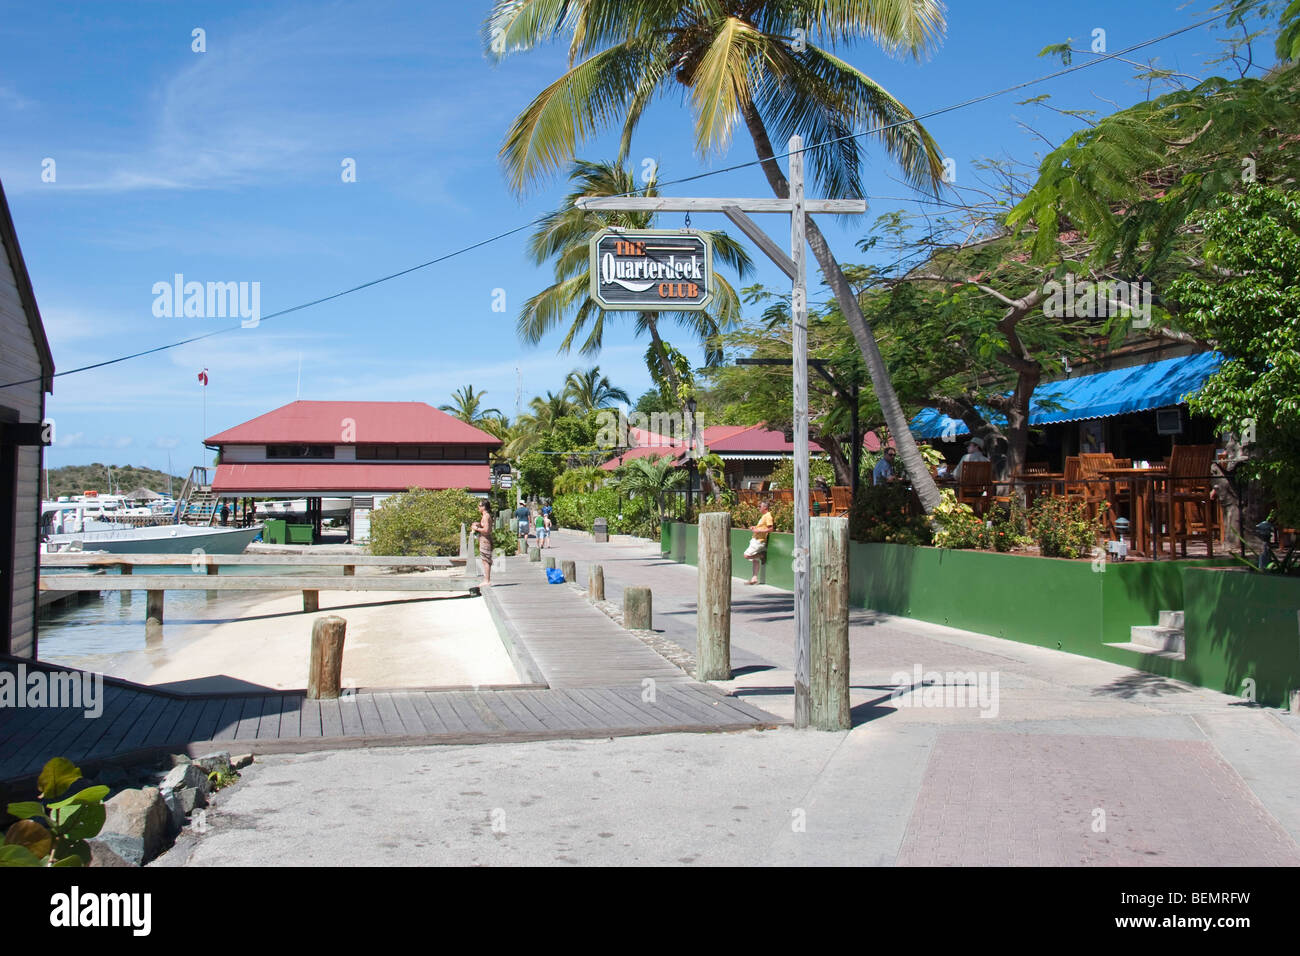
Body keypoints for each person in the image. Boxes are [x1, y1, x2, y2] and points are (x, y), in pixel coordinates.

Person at [744, 499, 774, 585]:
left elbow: (771, 529)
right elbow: (762, 527)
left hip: (759, 541)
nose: (758, 508)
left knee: (747, 555)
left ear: (765, 507)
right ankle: (754, 578)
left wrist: (758, 531)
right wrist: (755, 528)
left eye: (760, 507)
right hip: (755, 539)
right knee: (755, 560)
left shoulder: (768, 516)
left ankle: (761, 555)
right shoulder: (763, 516)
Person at [472, 499, 494, 585]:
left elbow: (486, 530)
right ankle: (486, 579)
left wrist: (476, 528)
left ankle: (487, 580)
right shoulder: (485, 516)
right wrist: (478, 524)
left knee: (486, 560)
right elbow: (484, 526)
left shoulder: (486, 516)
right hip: (484, 539)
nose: (478, 507)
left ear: (484, 507)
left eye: (480, 506)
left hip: (486, 540)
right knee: (484, 560)